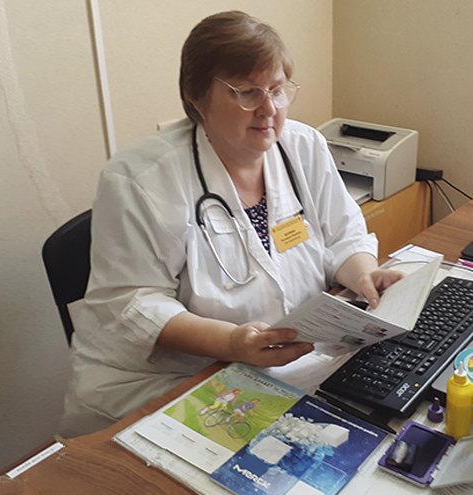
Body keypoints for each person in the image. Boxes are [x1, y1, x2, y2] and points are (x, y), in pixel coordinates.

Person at [60, 10, 404, 437]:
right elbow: (134, 302)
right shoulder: (139, 179)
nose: (269, 109)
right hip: (170, 381)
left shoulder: (304, 146)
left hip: (283, 364)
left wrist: (364, 274)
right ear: (196, 97)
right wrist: (231, 343)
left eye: (277, 90)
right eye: (247, 92)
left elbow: (342, 234)